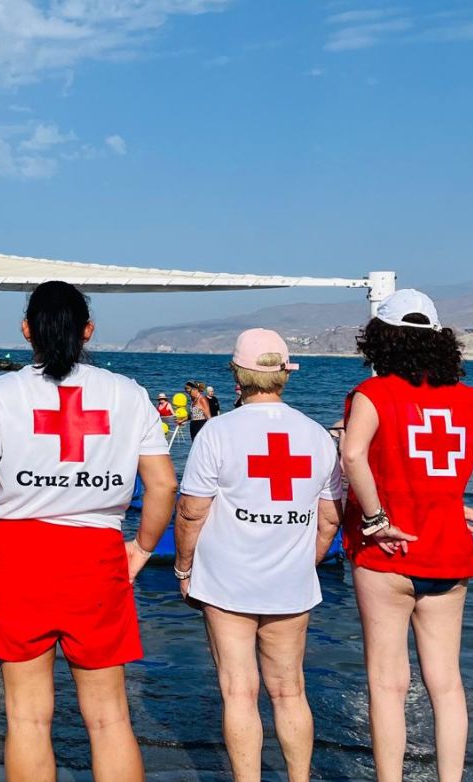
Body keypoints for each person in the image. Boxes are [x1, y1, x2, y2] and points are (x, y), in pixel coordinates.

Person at [0, 281, 178, 782]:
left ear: (27, 330)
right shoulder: (128, 394)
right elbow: (163, 485)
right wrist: (141, 549)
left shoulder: (4, 393)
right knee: (109, 717)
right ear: (88, 332)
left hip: (15, 555)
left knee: (28, 718)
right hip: (96, 554)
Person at [340, 289, 473, 782]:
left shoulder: (373, 394)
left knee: (388, 685)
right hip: (450, 551)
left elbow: (352, 456)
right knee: (447, 685)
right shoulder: (470, 400)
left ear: (380, 341)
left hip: (386, 555)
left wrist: (374, 519)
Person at [173, 330, 343, 782]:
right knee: (290, 692)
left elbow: (191, 511)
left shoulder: (216, 433)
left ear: (236, 374)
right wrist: (304, 564)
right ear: (284, 375)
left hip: (226, 581)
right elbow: (329, 519)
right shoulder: (317, 436)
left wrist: (183, 568)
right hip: (290, 585)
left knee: (238, 692)